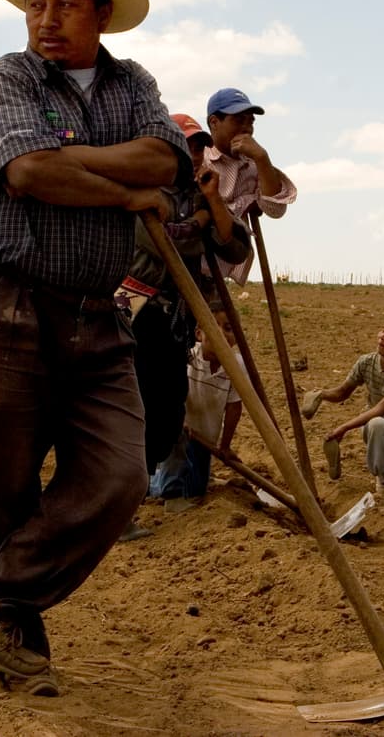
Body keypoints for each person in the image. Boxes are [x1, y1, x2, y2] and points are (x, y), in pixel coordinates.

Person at [0, 0, 188, 696]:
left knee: (117, 476)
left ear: (101, 15)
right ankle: (15, 644)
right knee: (4, 489)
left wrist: (74, 159)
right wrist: (121, 188)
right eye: (35, 4)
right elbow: (26, 174)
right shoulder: (4, 81)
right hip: (7, 304)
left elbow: (167, 160)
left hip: (96, 313)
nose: (46, 19)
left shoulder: (133, 83)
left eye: (65, 6)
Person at [117, 114, 251, 537]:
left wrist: (213, 205)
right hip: (135, 313)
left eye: (198, 147)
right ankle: (116, 508)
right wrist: (198, 224)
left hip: (175, 318)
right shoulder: (140, 192)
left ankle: (128, 496)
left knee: (167, 410)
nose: (194, 155)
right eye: (186, 146)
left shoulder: (199, 194)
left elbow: (234, 246)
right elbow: (164, 238)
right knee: (129, 410)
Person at [301, 310, 384, 502]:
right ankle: (383, 482)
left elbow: (383, 407)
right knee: (376, 424)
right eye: (383, 329)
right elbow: (342, 392)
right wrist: (321, 394)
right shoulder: (366, 362)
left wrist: (345, 427)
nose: (382, 336)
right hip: (378, 418)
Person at [150, 303, 246, 502]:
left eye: (228, 329)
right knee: (173, 480)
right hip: (179, 431)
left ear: (236, 338)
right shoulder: (188, 357)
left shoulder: (236, 367)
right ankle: (163, 491)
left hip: (205, 440)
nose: (221, 334)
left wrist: (225, 446)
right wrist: (179, 419)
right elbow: (172, 392)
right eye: (213, 327)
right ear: (199, 334)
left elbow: (234, 407)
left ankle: (157, 481)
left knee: (197, 489)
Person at [202, 87, 298, 284]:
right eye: (238, 120)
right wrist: (246, 201)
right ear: (214, 122)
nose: (247, 128)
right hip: (193, 260)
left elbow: (275, 209)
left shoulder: (253, 164)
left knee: (220, 314)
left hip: (220, 268)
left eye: (250, 122)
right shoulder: (200, 159)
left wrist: (262, 158)